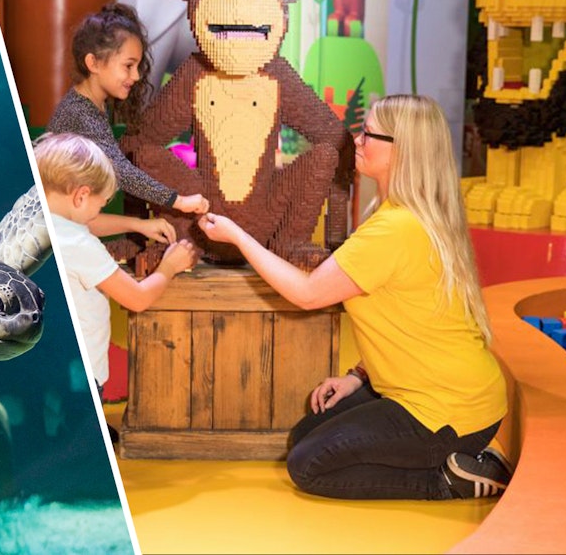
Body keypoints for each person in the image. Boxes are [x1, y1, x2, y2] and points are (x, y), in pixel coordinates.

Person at [197, 94, 511, 500]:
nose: (357, 141)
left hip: (446, 411)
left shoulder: (395, 228)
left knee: (307, 466)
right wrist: (356, 377)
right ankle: (454, 455)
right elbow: (410, 316)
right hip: (439, 393)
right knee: (306, 433)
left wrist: (238, 237)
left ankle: (450, 479)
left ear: (403, 148)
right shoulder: (402, 214)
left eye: (368, 134)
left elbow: (308, 294)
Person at [33, 132, 198, 399]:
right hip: (83, 381)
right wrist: (170, 266)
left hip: (55, 368)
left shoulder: (45, 223)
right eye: (101, 205)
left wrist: (138, 225)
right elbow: (137, 298)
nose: (99, 212)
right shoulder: (80, 244)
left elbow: (86, 221)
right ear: (81, 196)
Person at [47, 2, 209, 216]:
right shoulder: (80, 113)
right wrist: (179, 201)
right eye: (128, 66)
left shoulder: (95, 105)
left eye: (137, 66)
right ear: (93, 63)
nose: (136, 76)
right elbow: (122, 172)